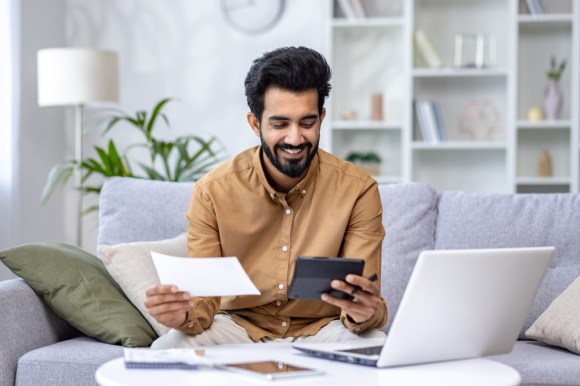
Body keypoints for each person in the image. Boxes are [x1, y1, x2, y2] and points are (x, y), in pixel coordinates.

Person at [145, 46, 387, 348]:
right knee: (168, 349)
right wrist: (181, 315)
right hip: (238, 326)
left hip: (322, 328)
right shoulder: (212, 191)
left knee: (375, 345)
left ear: (322, 118)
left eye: (307, 123)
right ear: (255, 123)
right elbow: (204, 299)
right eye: (280, 124)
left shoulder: (357, 190)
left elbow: (366, 298)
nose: (295, 138)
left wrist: (364, 311)